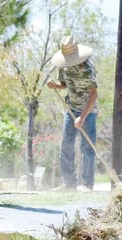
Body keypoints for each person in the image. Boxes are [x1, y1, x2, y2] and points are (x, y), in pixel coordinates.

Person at [47, 35, 98, 191]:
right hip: (71, 109)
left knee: (87, 147)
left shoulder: (88, 69)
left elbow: (94, 95)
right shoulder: (64, 67)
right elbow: (64, 84)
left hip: (88, 111)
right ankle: (69, 183)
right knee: (66, 145)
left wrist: (82, 117)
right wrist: (55, 85)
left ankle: (87, 184)